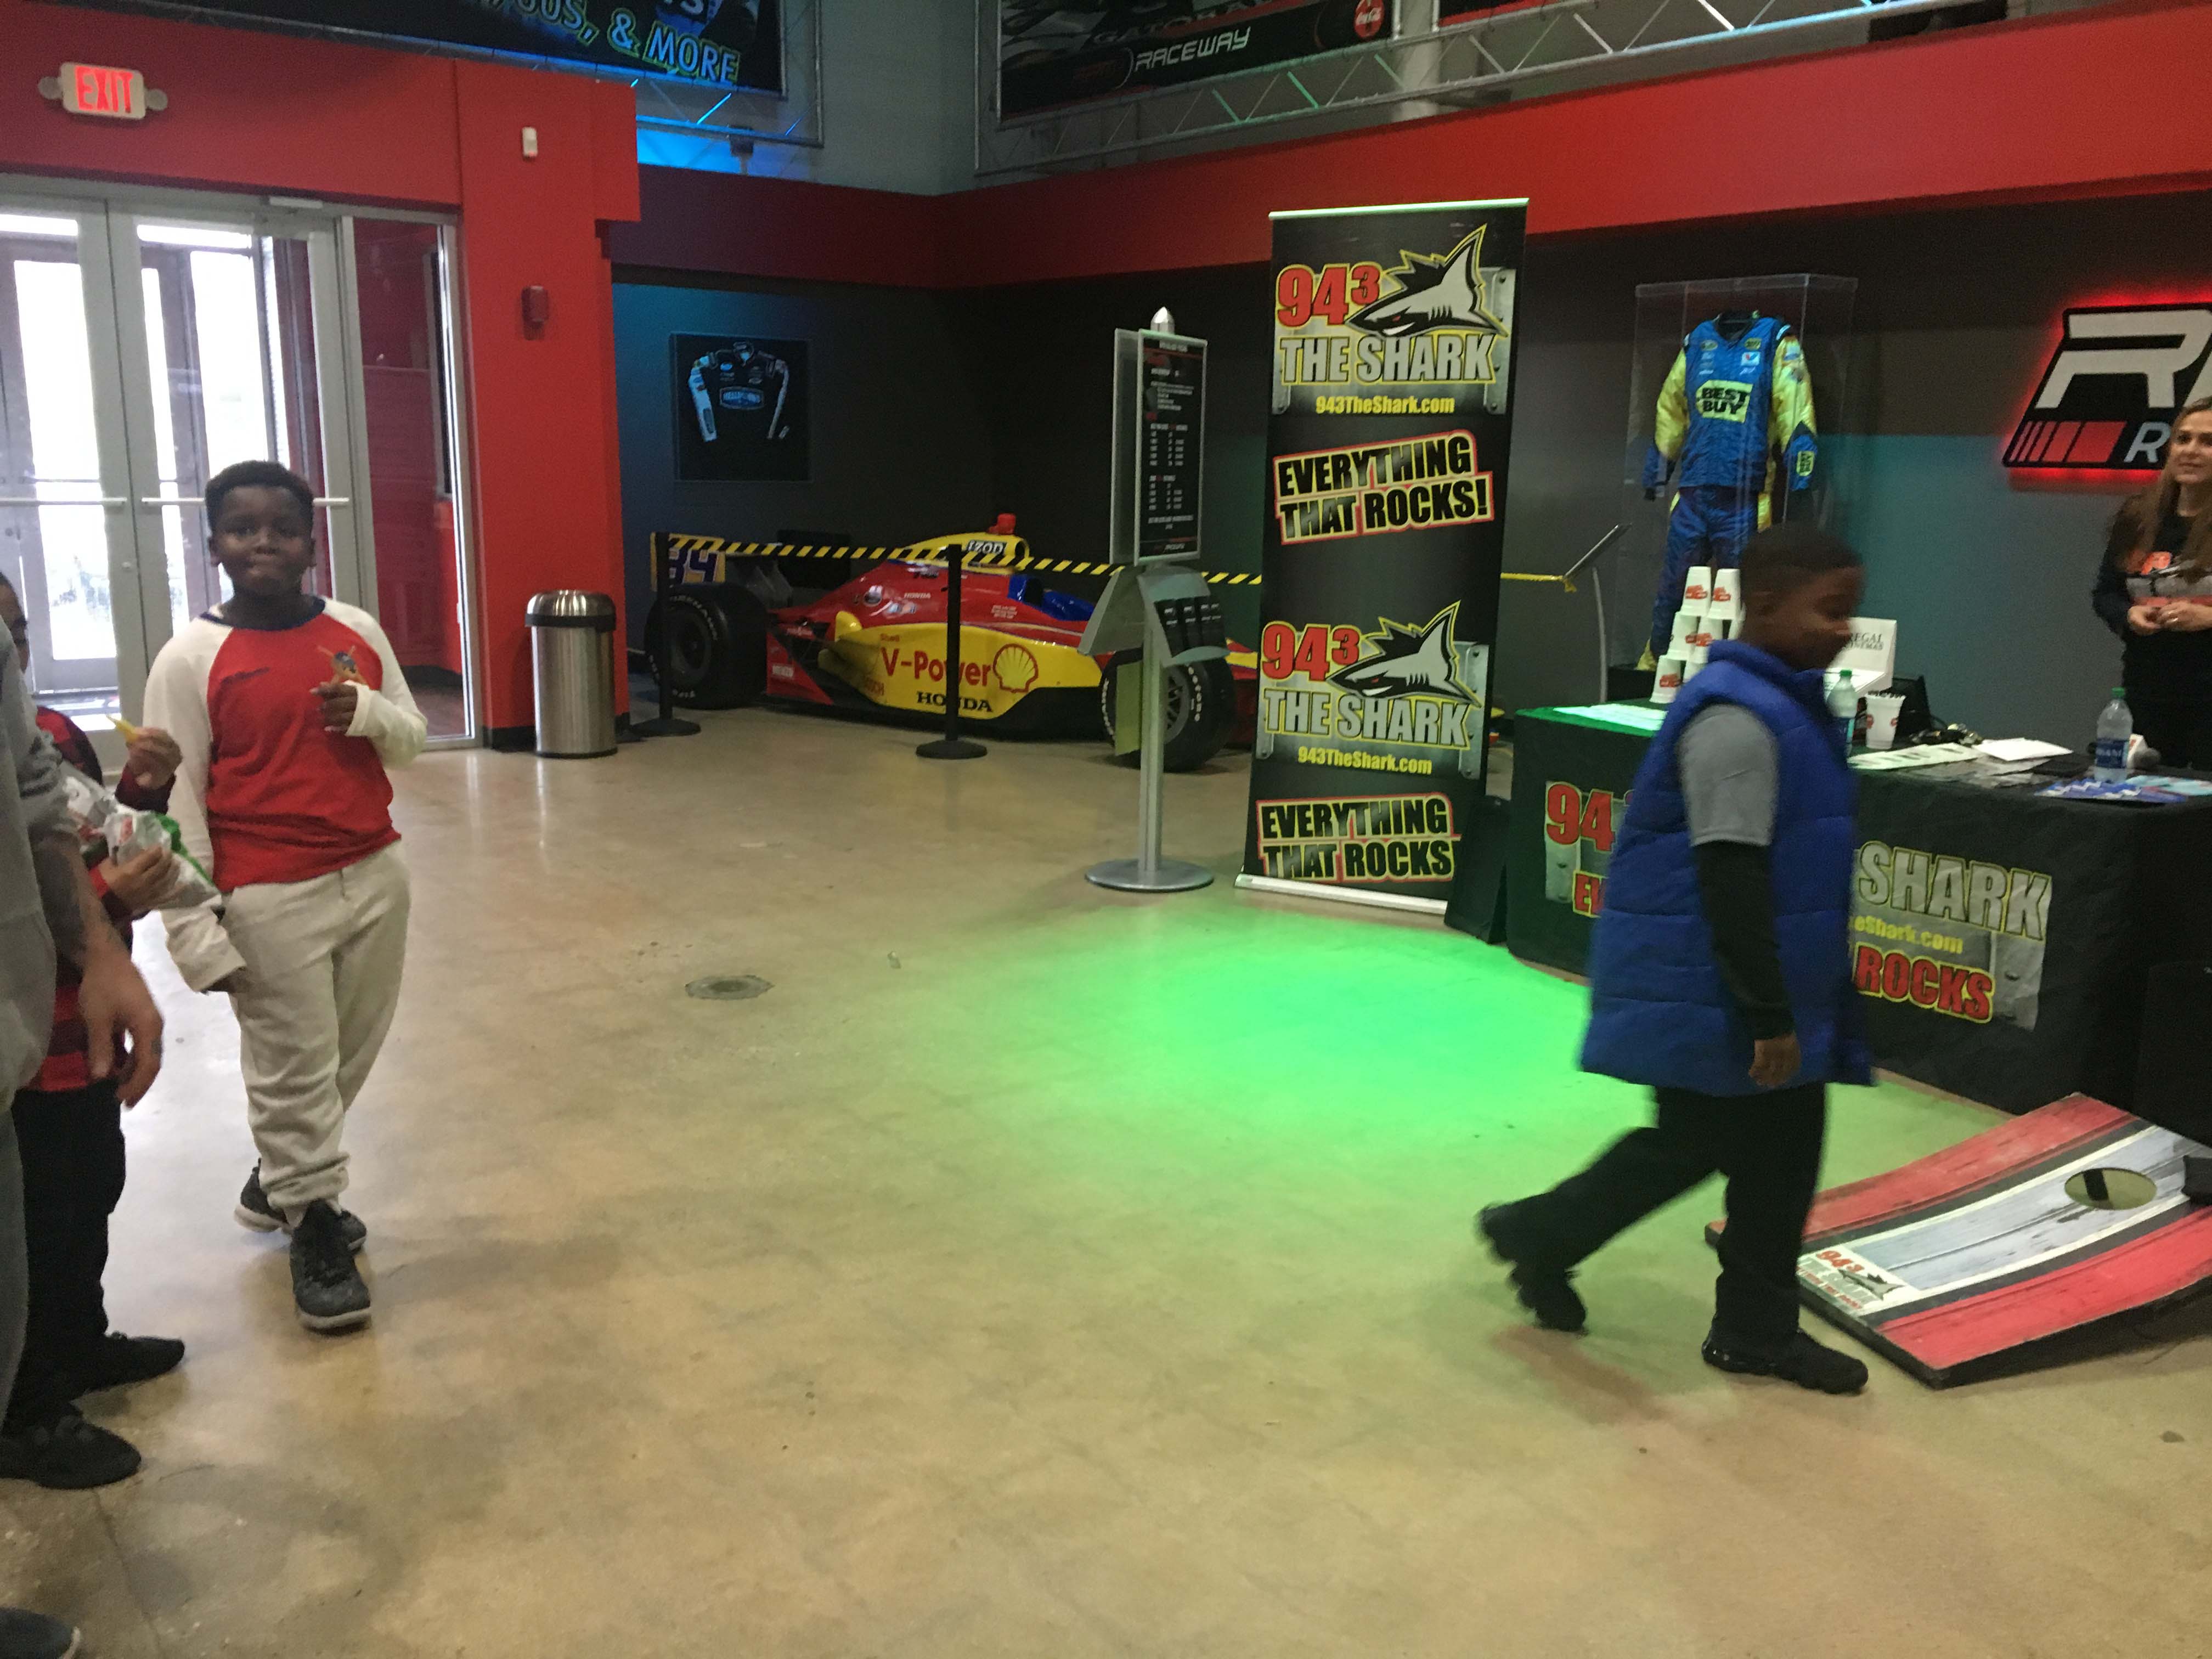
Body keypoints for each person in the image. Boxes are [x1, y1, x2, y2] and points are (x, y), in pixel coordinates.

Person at [1479, 524, 1874, 1396]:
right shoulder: (1737, 721)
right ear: (1764, 604)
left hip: (1741, 984)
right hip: (1717, 990)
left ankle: (1738, 1323)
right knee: (1717, 1148)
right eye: (1831, 609)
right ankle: (1549, 1236)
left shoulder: (1781, 704)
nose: (1846, 628)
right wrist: (1768, 1014)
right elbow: (1730, 876)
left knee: (1752, 1153)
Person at [143, 460, 425, 1334]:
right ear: (214, 545)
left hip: (374, 872)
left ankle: (284, 1176)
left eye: (283, 528)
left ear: (312, 542)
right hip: (266, 891)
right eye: (241, 529)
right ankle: (314, 1223)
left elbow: (412, 740)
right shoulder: (190, 658)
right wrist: (195, 931)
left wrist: (368, 713)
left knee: (349, 1050)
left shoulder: (355, 630)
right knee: (292, 1067)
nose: (262, 543)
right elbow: (174, 805)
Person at [0, 611, 165, 1659]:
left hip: (69, 1035)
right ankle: (29, 1402)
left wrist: (144, 797)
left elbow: (80, 835)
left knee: (83, 1196)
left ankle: (75, 1340)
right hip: (29, 1051)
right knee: (38, 1217)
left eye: (15, 630)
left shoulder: (50, 731)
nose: (11, 648)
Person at [2093, 397, 2212, 768]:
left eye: (2208, 442)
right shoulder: (2139, 517)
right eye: (2183, 439)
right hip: (2148, 694)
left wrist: (2208, 619)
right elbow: (2107, 592)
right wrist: (2129, 616)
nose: (2191, 451)